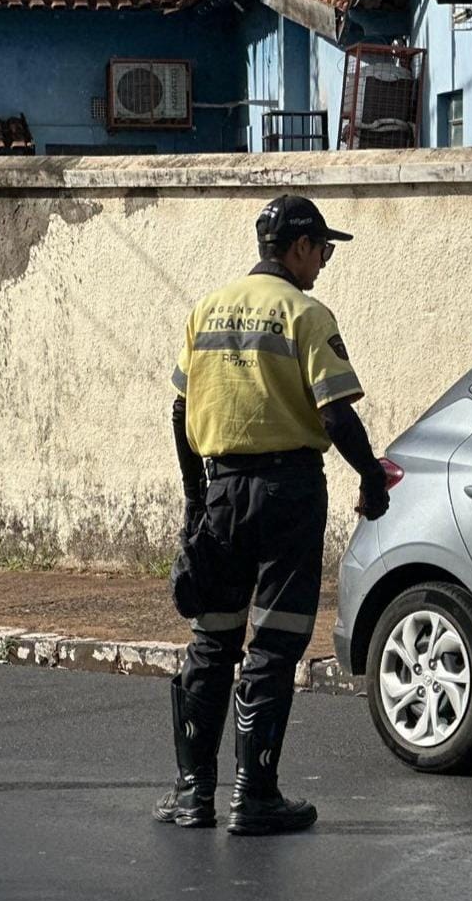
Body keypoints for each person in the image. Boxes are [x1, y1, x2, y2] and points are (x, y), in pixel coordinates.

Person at [155, 195, 390, 836]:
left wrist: (195, 501)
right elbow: (336, 413)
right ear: (300, 247)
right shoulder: (306, 314)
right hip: (289, 496)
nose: (325, 262)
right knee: (275, 643)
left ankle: (191, 794)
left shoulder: (206, 309)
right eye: (323, 250)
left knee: (213, 640)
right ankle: (253, 796)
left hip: (222, 492)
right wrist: (371, 477)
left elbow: (180, 411)